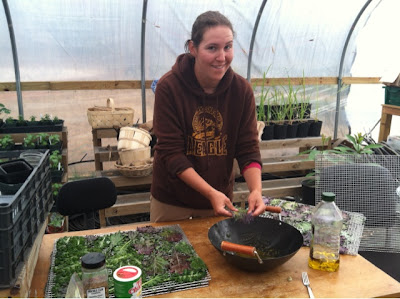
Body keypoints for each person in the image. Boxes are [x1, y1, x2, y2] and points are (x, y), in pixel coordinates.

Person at [150, 10, 265, 222]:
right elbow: (171, 153)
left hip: (220, 200)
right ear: (193, 48)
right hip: (172, 201)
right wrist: (210, 192)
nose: (221, 57)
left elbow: (248, 148)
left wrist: (256, 190)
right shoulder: (170, 87)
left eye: (228, 47)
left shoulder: (241, 90)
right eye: (212, 48)